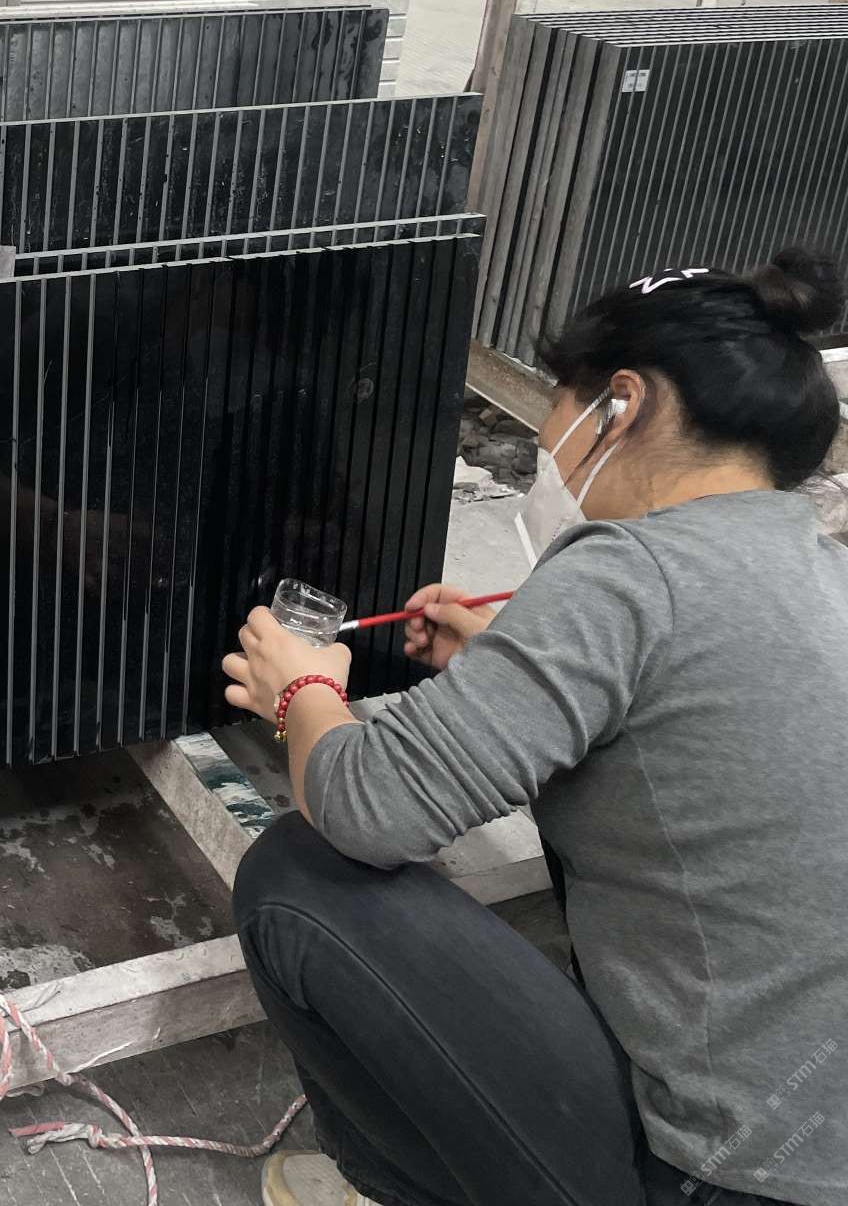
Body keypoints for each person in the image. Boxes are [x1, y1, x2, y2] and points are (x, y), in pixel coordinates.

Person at [219, 247, 848, 1206]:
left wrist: (301, 690)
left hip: (722, 1175)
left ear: (621, 404)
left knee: (297, 876)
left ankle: (399, 1185)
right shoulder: (817, 566)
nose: (550, 436)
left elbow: (366, 807)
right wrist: (513, 664)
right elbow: (690, 737)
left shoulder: (626, 571)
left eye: (560, 400)